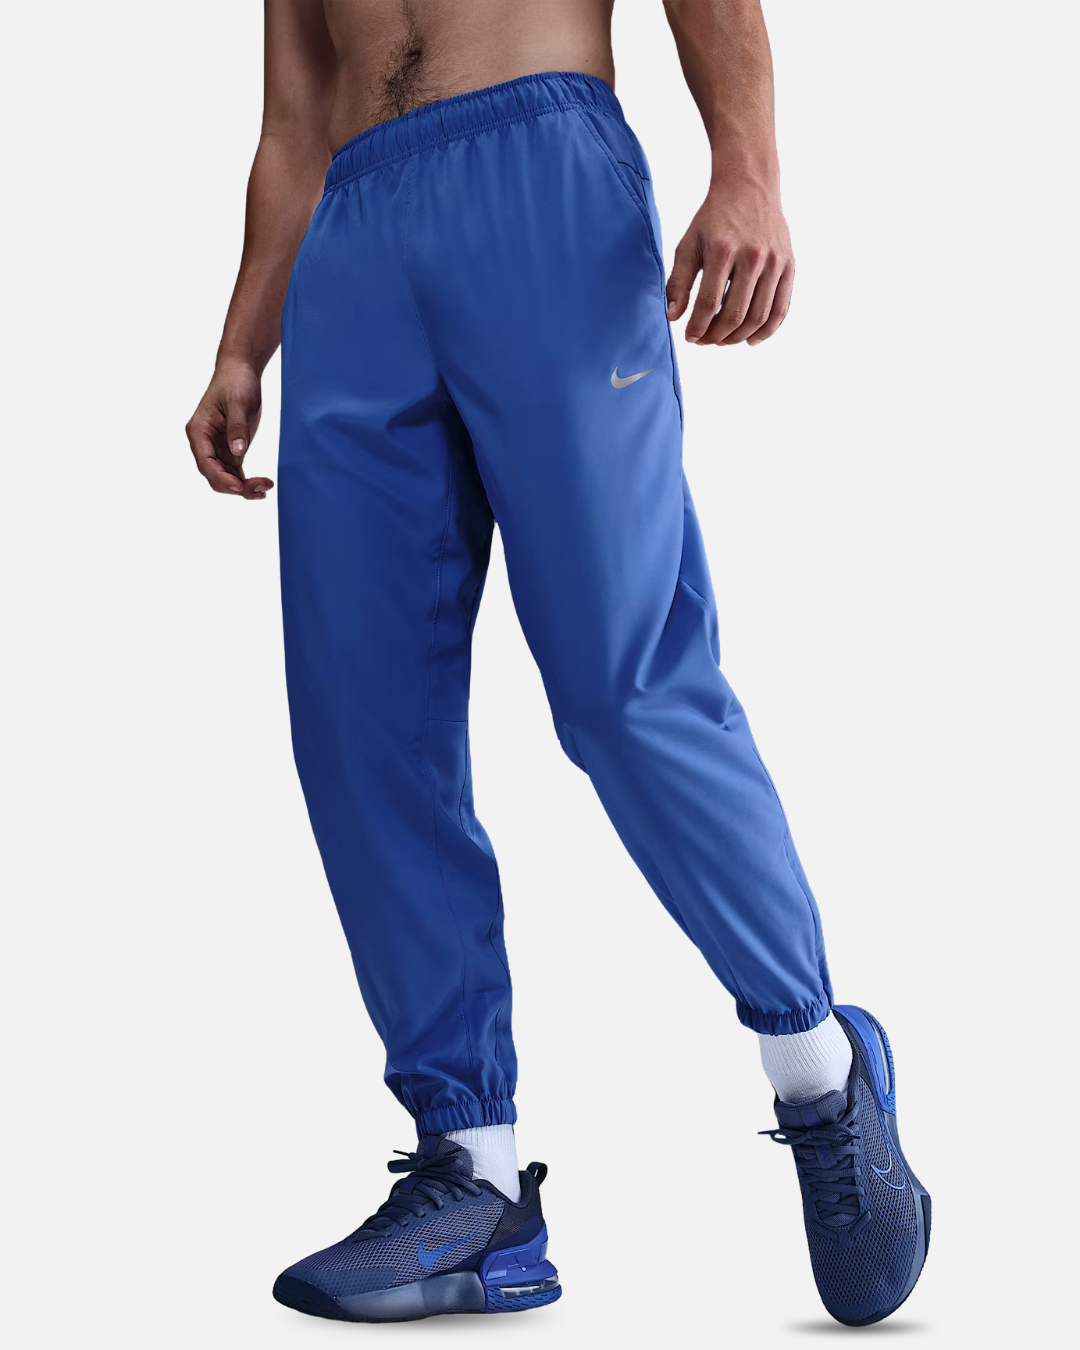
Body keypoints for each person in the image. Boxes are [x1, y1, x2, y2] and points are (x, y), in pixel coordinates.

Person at [186, 0, 930, 1327]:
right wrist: (245, 342)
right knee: (360, 721)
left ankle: (820, 1068)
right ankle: (471, 1179)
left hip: (540, 178)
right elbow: (293, 120)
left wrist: (748, 169)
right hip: (352, 238)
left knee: (620, 684)